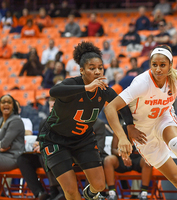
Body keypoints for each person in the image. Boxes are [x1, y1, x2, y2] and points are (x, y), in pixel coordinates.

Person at [104, 45, 177, 200]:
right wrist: (124, 135)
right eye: (154, 65)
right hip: (142, 130)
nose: (158, 69)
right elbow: (110, 107)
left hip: (163, 117)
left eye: (162, 65)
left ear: (170, 66)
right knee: (175, 177)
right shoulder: (141, 83)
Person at [38, 41, 137, 200]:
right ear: (82, 70)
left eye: (100, 68)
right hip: (55, 139)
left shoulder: (104, 90)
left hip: (83, 139)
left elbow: (123, 107)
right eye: (92, 68)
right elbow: (54, 91)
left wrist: (130, 127)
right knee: (70, 190)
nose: (97, 72)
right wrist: (86, 88)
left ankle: (90, 195)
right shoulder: (72, 83)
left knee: (99, 185)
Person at [17, 97, 64, 200]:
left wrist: (43, 147)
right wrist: (37, 145)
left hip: (62, 157)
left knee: (45, 154)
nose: (53, 110)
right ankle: (39, 193)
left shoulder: (68, 123)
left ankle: (58, 191)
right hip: (45, 157)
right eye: (52, 107)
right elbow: (39, 141)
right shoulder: (44, 122)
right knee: (23, 159)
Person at [104, 125, 153, 200]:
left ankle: (144, 193)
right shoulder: (119, 129)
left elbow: (149, 150)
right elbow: (113, 150)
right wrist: (124, 154)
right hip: (122, 158)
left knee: (147, 161)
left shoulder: (143, 129)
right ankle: (112, 193)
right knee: (108, 160)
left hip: (138, 158)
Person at [0, 94, 25, 172]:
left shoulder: (16, 121)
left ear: (13, 106)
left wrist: (2, 147)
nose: (6, 104)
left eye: (9, 102)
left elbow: (4, 144)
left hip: (13, 157)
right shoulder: (1, 120)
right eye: (3, 102)